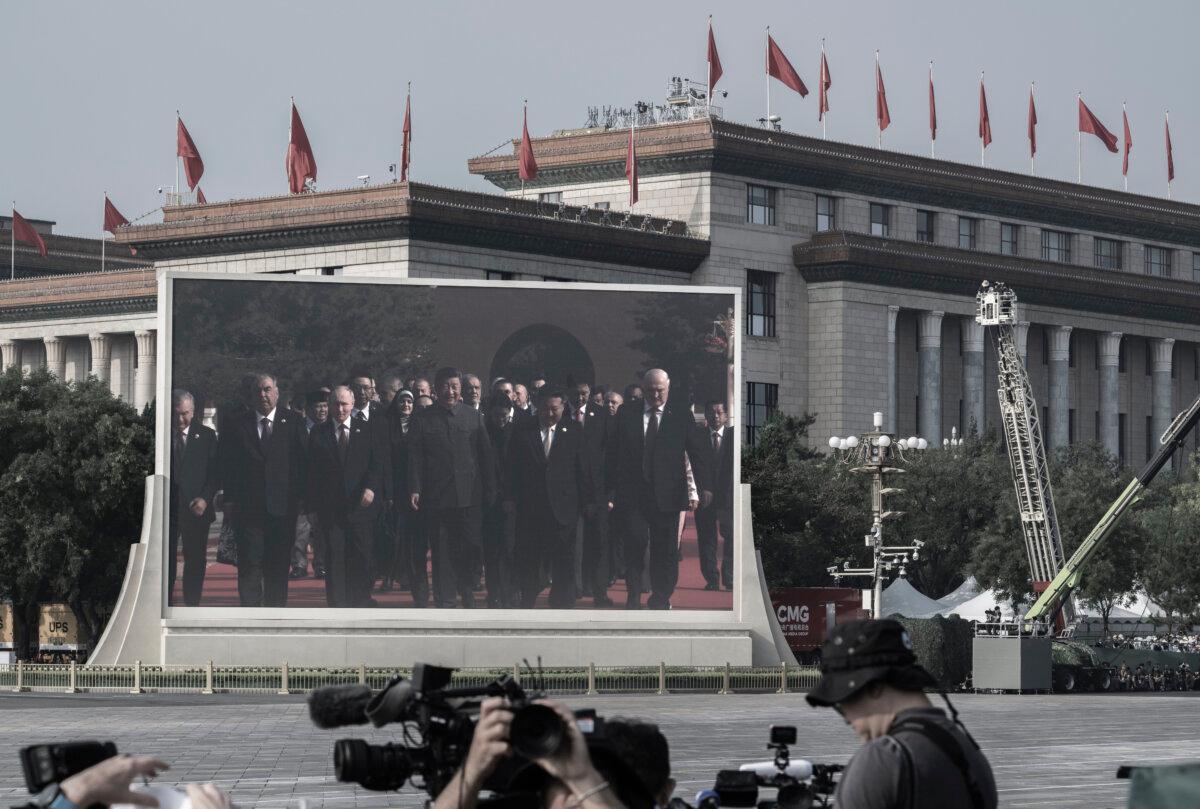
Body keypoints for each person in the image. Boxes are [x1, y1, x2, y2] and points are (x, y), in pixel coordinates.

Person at [806, 618, 998, 809]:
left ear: (874, 686)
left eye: (842, 702)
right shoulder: (969, 753)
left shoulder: (883, 761)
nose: (847, 719)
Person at [607, 369, 711, 610]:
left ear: (668, 388)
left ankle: (661, 596)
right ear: (643, 389)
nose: (655, 395)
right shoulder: (627, 413)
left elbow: (696, 452)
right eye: (650, 390)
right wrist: (609, 490)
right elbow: (613, 453)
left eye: (660, 390)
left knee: (665, 551)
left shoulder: (680, 415)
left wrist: (705, 486)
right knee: (635, 542)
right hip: (633, 495)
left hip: (668, 494)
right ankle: (633, 594)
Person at [432, 698, 644, 809]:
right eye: (559, 782)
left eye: (602, 778)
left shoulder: (585, 782)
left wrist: (582, 777)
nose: (576, 796)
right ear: (543, 798)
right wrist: (472, 770)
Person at [408, 367, 496, 608]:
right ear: (436, 389)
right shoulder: (423, 419)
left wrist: (490, 489)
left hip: (469, 495)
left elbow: (485, 456)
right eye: (446, 386)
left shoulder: (473, 416)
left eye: (455, 386)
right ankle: (445, 599)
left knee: (470, 548)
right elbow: (414, 458)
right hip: (437, 496)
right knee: (442, 550)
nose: (451, 391)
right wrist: (414, 488)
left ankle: (467, 592)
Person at [221, 373, 306, 607]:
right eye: (258, 390)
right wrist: (228, 500)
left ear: (277, 393)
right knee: (249, 565)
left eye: (268, 389)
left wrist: (302, 499)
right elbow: (228, 466)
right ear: (251, 395)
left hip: (283, 509)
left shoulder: (294, 422)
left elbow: (302, 463)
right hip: (248, 510)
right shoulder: (236, 424)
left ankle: (275, 615)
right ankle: (249, 616)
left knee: (278, 566)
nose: (263, 394)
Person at [505, 388, 595, 608]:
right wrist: (510, 499)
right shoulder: (523, 430)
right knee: (529, 558)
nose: (549, 413)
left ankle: (562, 602)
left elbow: (583, 469)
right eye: (545, 408)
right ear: (538, 408)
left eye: (555, 409)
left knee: (564, 559)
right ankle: (527, 599)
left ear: (563, 407)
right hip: (531, 508)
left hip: (564, 508)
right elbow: (511, 467)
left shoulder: (574, 430)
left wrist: (587, 502)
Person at [307, 386, 385, 607]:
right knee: (335, 556)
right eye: (335, 404)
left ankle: (361, 599)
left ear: (352, 404)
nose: (340, 408)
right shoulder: (318, 433)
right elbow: (312, 472)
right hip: (330, 508)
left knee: (362, 555)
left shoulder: (367, 429)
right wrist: (311, 507)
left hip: (361, 505)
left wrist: (371, 488)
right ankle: (337, 603)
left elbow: (377, 463)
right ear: (330, 406)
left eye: (344, 404)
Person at [168, 389, 219, 606]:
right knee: (166, 560)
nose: (180, 419)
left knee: (195, 561)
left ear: (194, 411)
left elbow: (216, 474)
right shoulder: (161, 435)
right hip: (168, 509)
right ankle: (165, 603)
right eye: (176, 413)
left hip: (196, 509)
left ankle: (191, 604)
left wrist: (205, 498)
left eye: (185, 414)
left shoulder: (206, 436)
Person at [571, 381, 613, 607]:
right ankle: (575, 587)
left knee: (598, 544)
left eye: (584, 393)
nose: (580, 398)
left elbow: (610, 453)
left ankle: (599, 591)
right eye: (576, 394)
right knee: (574, 545)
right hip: (570, 492)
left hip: (598, 491)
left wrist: (609, 494)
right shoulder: (564, 414)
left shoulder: (602, 415)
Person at [387, 390, 425, 605]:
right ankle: (392, 575)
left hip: (416, 489)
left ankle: (413, 581)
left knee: (414, 540)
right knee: (395, 537)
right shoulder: (388, 424)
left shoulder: (419, 424)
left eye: (410, 401)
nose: (406, 404)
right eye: (402, 400)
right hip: (395, 489)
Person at [293, 387, 331, 579]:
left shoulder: (330, 428)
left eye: (325, 406)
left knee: (321, 529)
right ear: (308, 409)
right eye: (318, 407)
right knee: (299, 529)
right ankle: (299, 565)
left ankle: (321, 564)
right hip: (300, 487)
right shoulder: (296, 427)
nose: (322, 410)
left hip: (322, 489)